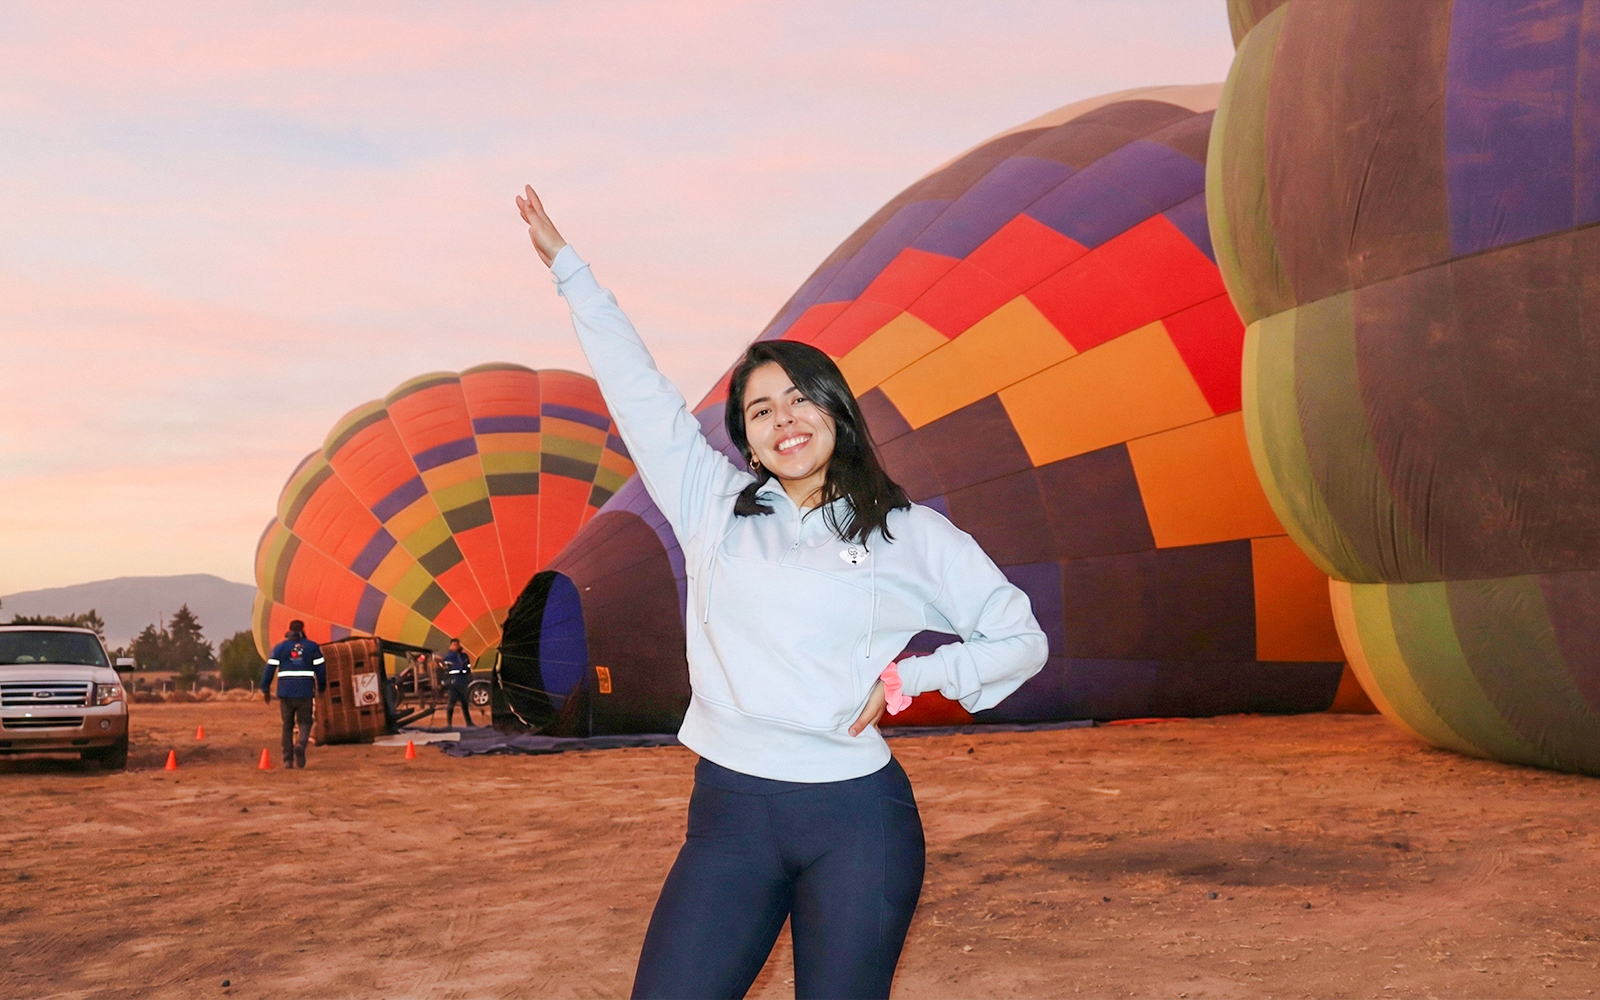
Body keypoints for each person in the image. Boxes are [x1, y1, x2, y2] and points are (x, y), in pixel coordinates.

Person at [517, 187, 1047, 999]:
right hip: (731, 814)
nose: (785, 418)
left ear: (835, 410)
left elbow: (1020, 639)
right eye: (761, 409)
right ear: (749, 440)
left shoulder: (909, 534)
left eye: (801, 397)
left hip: (859, 823)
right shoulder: (712, 507)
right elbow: (642, 395)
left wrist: (915, 679)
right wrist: (572, 274)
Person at [261, 620, 326, 769]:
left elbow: (269, 669)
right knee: (305, 722)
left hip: (285, 692)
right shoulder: (312, 647)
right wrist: (321, 688)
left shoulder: (280, 648)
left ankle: (287, 760)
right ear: (303, 629)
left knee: (287, 726)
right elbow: (321, 670)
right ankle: (301, 745)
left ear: (289, 630)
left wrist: (265, 688)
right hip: (305, 691)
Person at [441, 637, 474, 726]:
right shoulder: (448, 657)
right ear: (451, 646)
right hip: (453, 683)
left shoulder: (464, 656)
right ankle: (449, 724)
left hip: (462, 682)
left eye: (457, 644)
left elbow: (468, 668)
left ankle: (469, 723)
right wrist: (446, 682)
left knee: (465, 704)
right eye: (454, 644)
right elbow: (445, 671)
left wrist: (469, 678)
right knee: (451, 703)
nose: (455, 646)